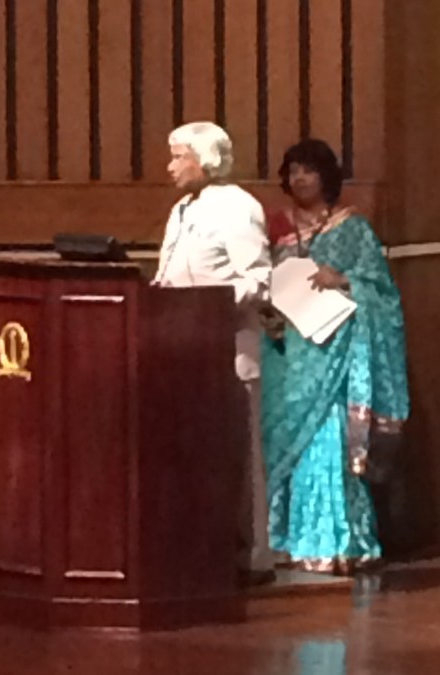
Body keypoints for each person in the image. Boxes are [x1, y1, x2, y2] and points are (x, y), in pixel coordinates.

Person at [260, 138, 410, 574]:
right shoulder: (274, 228)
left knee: (326, 442)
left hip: (333, 354)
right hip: (285, 354)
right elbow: (259, 283)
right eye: (293, 171)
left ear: (327, 177)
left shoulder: (353, 229)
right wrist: (267, 315)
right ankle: (281, 539)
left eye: (308, 170)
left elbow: (383, 293)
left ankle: (334, 541)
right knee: (279, 441)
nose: (299, 178)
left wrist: (344, 280)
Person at [153, 121, 275, 585]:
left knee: (239, 457)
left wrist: (206, 305)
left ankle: (251, 558)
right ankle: (197, 551)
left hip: (228, 352)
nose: (170, 167)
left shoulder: (239, 207)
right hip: (183, 353)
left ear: (205, 161)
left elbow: (259, 280)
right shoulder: (182, 209)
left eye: (178, 156)